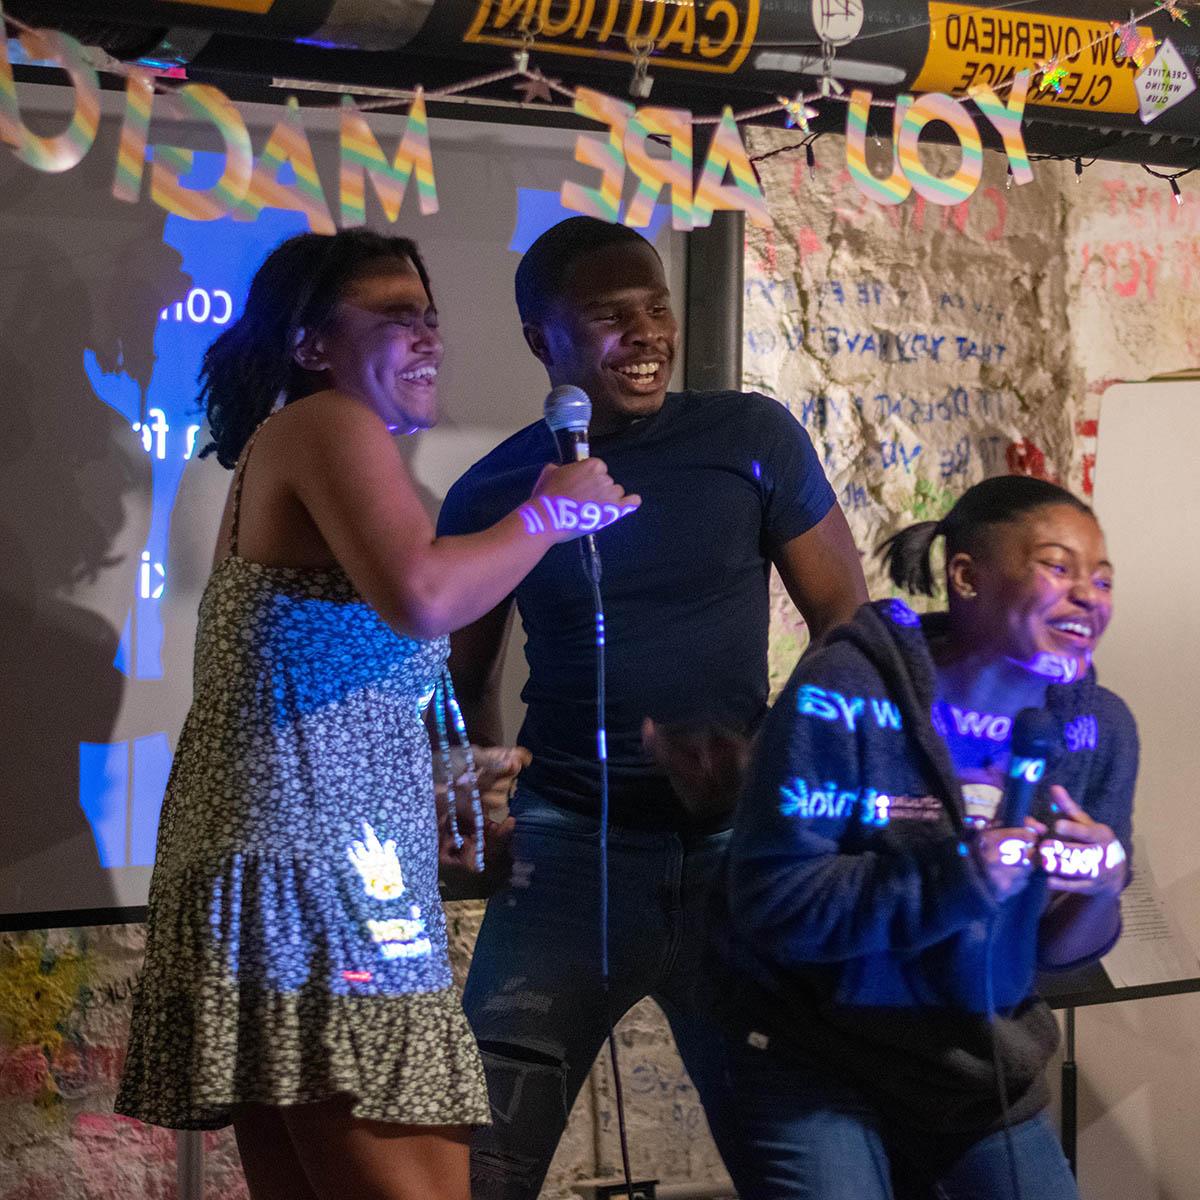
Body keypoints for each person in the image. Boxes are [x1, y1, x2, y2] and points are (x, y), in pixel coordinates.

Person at [115, 229, 637, 1200]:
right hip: (317, 879)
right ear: (312, 344)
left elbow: (344, 652)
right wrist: (549, 513)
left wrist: (440, 775)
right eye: (396, 316)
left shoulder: (321, 444)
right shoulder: (326, 423)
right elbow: (424, 597)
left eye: (432, 315)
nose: (429, 336)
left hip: (292, 865)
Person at [435, 215, 868, 1197]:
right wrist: (480, 803)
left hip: (740, 858)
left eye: (655, 308)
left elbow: (848, 623)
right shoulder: (497, 488)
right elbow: (455, 683)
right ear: (542, 340)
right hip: (569, 857)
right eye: (608, 316)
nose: (646, 335)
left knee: (824, 1168)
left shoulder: (751, 437)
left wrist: (774, 769)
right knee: (475, 1174)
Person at [722, 474, 1137, 1199]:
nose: (1088, 595)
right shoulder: (849, 689)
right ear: (967, 577)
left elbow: (1060, 950)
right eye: (1057, 567)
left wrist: (1100, 886)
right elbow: (773, 900)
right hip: (814, 1055)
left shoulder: (1096, 729)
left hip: (976, 1067)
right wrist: (955, 880)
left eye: (1101, 578)